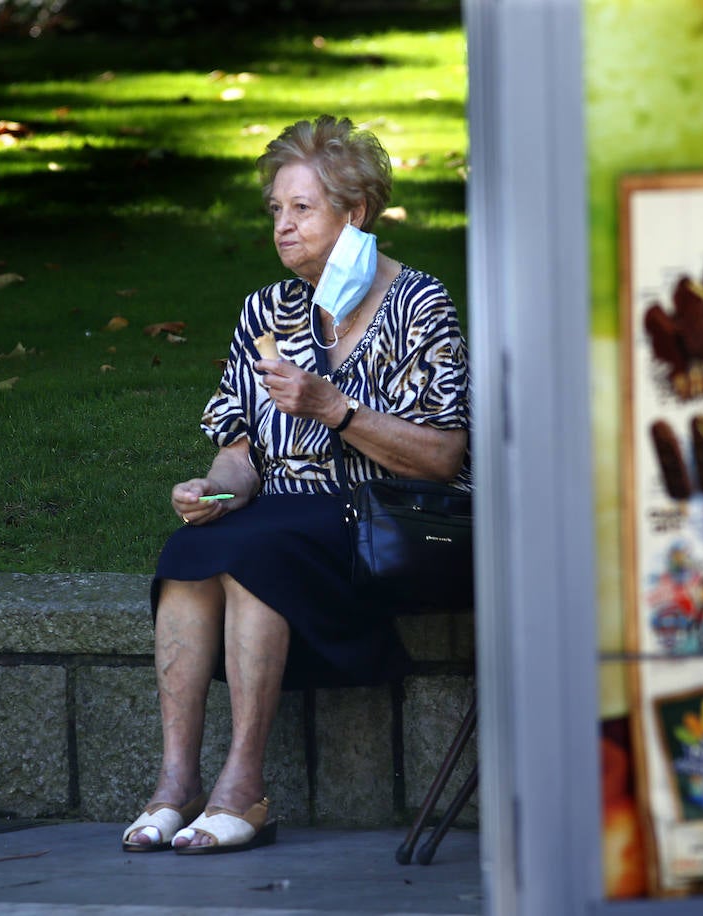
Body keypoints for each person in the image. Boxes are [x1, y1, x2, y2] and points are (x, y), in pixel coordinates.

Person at [120, 115, 471, 855]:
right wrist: (211, 490)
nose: (283, 226)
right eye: (276, 210)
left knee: (259, 551)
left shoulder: (419, 304)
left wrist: (332, 408)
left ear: (357, 212)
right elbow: (242, 450)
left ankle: (243, 788)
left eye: (302, 208)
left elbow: (442, 456)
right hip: (286, 515)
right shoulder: (266, 311)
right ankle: (173, 785)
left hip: (390, 519)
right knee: (191, 551)